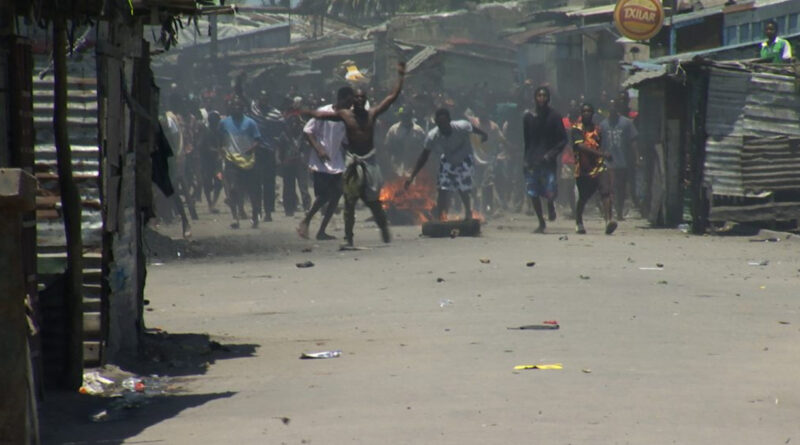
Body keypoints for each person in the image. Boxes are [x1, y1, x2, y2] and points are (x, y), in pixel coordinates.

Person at [302, 62, 406, 247]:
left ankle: (382, 226)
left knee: (372, 198)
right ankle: (348, 236)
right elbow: (322, 117)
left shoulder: (372, 114)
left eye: (360, 99)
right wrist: (305, 112)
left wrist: (401, 77)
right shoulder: (344, 115)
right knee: (346, 199)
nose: (357, 102)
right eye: (354, 99)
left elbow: (392, 97)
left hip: (367, 160)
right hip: (349, 160)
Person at [406, 108, 488, 221]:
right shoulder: (432, 136)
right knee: (443, 188)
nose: (442, 127)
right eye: (439, 124)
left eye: (444, 123)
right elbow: (424, 156)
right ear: (436, 123)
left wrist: (484, 134)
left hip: (465, 159)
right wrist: (412, 176)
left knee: (462, 188)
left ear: (449, 120)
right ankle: (441, 216)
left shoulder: (461, 126)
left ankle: (468, 213)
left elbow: (473, 129)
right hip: (448, 160)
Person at [296, 86, 353, 241]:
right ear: (341, 99)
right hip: (320, 163)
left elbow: (347, 141)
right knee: (325, 195)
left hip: (336, 162)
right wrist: (319, 149)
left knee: (337, 194)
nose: (351, 104)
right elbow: (308, 131)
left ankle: (321, 231)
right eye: (349, 100)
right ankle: (306, 221)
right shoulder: (324, 111)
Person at [522, 86, 567, 233]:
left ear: (548, 98)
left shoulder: (554, 116)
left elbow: (563, 139)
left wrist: (551, 154)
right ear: (535, 98)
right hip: (532, 160)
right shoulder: (528, 117)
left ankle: (550, 205)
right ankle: (541, 222)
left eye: (544, 96)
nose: (541, 98)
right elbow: (527, 141)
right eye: (539, 95)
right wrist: (525, 159)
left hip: (548, 161)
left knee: (550, 190)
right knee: (533, 193)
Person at [571, 103, 616, 235]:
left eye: (589, 111)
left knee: (605, 191)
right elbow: (581, 147)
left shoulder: (597, 129)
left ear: (593, 113)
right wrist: (601, 154)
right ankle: (578, 221)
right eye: (584, 111)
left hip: (598, 166)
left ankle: (609, 221)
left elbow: (599, 145)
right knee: (584, 196)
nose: (586, 113)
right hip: (583, 169)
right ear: (581, 113)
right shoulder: (576, 129)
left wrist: (604, 155)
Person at [218, 96, 263, 229]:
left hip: (248, 162)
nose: (236, 108)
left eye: (239, 106)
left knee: (252, 191)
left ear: (243, 108)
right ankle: (235, 217)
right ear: (230, 108)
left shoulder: (250, 123)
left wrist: (252, 148)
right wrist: (221, 153)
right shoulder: (224, 123)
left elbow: (258, 140)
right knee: (233, 189)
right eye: (234, 106)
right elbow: (220, 139)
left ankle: (255, 215)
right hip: (231, 160)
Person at [600, 99, 638, 221]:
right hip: (608, 162)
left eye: (614, 107)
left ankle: (620, 211)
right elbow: (599, 144)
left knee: (621, 188)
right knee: (610, 188)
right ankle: (610, 212)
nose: (612, 109)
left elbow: (633, 141)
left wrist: (637, 157)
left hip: (623, 161)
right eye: (610, 107)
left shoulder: (626, 123)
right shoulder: (603, 125)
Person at [250, 91, 285, 222]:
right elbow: (241, 95)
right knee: (256, 182)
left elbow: (281, 129)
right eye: (261, 98)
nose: (263, 101)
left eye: (265, 98)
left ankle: (268, 211)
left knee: (269, 183)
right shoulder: (254, 109)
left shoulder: (275, 114)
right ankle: (257, 209)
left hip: (269, 150)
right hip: (256, 150)